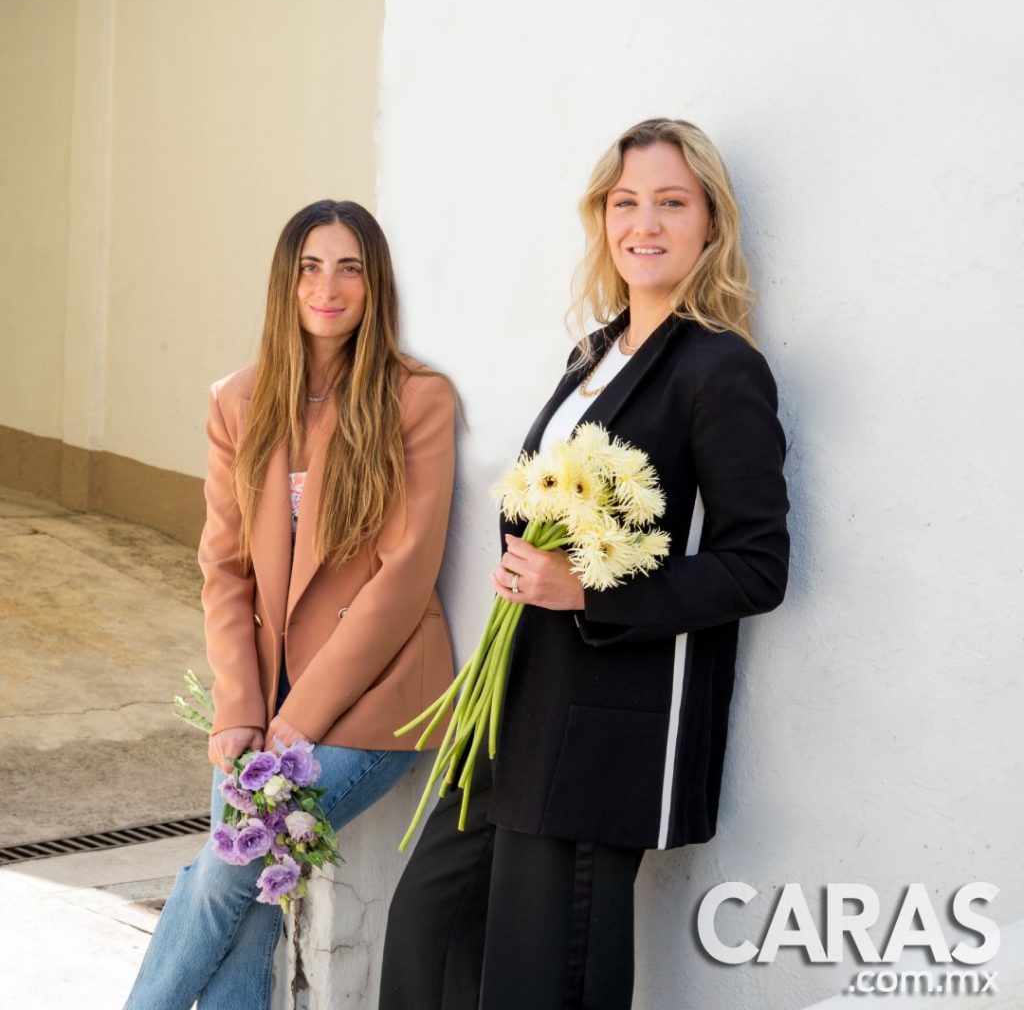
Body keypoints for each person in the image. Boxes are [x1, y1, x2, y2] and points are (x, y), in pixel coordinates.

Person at [379, 119, 790, 1010]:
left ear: (711, 223)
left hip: (602, 732)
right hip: (515, 702)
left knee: (538, 981)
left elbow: (757, 566)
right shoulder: (594, 353)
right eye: (626, 202)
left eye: (672, 202)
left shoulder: (720, 369)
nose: (645, 223)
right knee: (427, 934)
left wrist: (587, 589)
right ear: (602, 217)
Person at [125, 199, 457, 1010]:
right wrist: (239, 709)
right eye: (310, 267)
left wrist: (297, 720)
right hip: (263, 699)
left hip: (373, 699)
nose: (327, 288)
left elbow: (404, 577)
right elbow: (224, 567)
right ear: (286, 282)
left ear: (375, 284)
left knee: (228, 869)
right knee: (249, 894)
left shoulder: (417, 398)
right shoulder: (238, 401)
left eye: (349, 268)